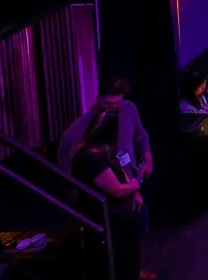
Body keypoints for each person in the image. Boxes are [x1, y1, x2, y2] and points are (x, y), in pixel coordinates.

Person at [69, 109, 143, 280]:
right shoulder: (90, 158)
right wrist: (135, 185)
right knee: (119, 262)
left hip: (119, 219)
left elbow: (124, 175)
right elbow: (116, 190)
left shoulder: (105, 153)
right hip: (105, 219)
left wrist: (134, 191)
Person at [57, 78, 154, 184]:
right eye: (108, 104)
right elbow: (65, 162)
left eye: (117, 103)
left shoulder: (128, 109)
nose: (113, 108)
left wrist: (148, 160)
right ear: (98, 99)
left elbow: (141, 136)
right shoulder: (78, 130)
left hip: (132, 183)